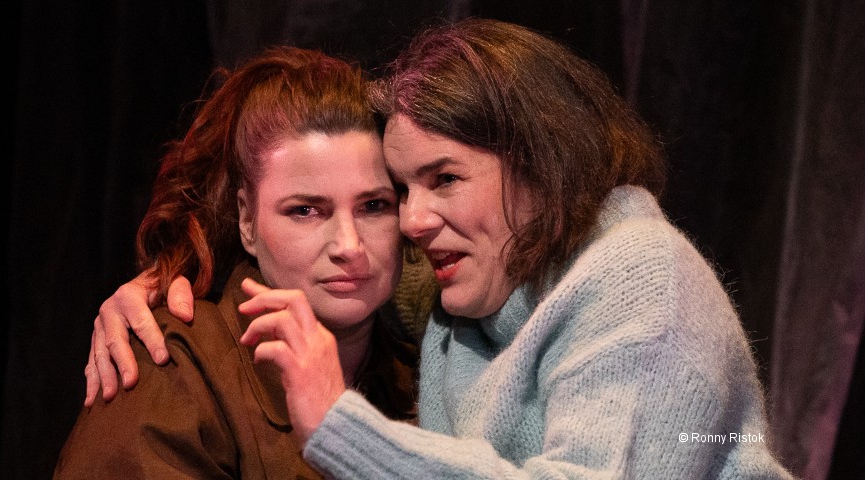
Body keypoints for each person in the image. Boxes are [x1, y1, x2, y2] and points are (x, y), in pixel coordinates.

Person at [87, 19, 793, 478]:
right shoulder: (464, 289)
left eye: (443, 180)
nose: (412, 221)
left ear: (543, 168)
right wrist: (167, 275)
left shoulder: (642, 283)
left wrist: (340, 426)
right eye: (401, 190)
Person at [55, 46, 421, 479]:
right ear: (246, 220)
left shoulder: (423, 375)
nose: (349, 245)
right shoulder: (172, 365)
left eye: (374, 205)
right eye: (305, 210)